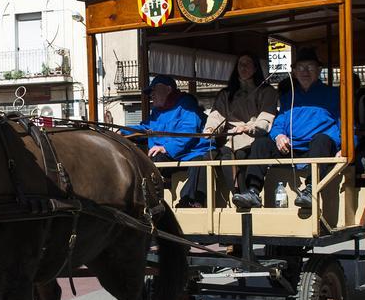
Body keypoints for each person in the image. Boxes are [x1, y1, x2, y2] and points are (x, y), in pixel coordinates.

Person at [233, 48, 340, 209]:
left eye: (310, 67)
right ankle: (253, 191)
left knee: (322, 139)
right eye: (300, 68)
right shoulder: (288, 97)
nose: (305, 71)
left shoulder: (333, 94)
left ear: (318, 70)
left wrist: (345, 147)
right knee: (261, 143)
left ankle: (311, 190)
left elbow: (345, 124)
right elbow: (278, 124)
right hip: (291, 147)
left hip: (318, 148)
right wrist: (278, 136)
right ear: (294, 72)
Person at [125, 75, 215, 207]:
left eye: (154, 90)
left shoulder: (186, 105)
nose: (151, 95)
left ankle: (189, 201)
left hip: (192, 152)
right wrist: (123, 132)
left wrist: (166, 148)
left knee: (200, 162)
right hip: (173, 155)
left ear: (168, 89)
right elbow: (146, 128)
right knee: (151, 161)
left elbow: (188, 131)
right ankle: (143, 198)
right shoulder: (157, 111)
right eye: (150, 92)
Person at [202, 54, 279, 203]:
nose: (243, 67)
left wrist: (249, 127)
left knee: (242, 156)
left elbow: (266, 117)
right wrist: (210, 129)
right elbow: (216, 115)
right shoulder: (226, 94)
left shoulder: (267, 91)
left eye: (247, 64)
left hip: (253, 139)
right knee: (211, 156)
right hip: (229, 140)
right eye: (240, 64)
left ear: (255, 68)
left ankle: (246, 196)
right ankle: (238, 195)